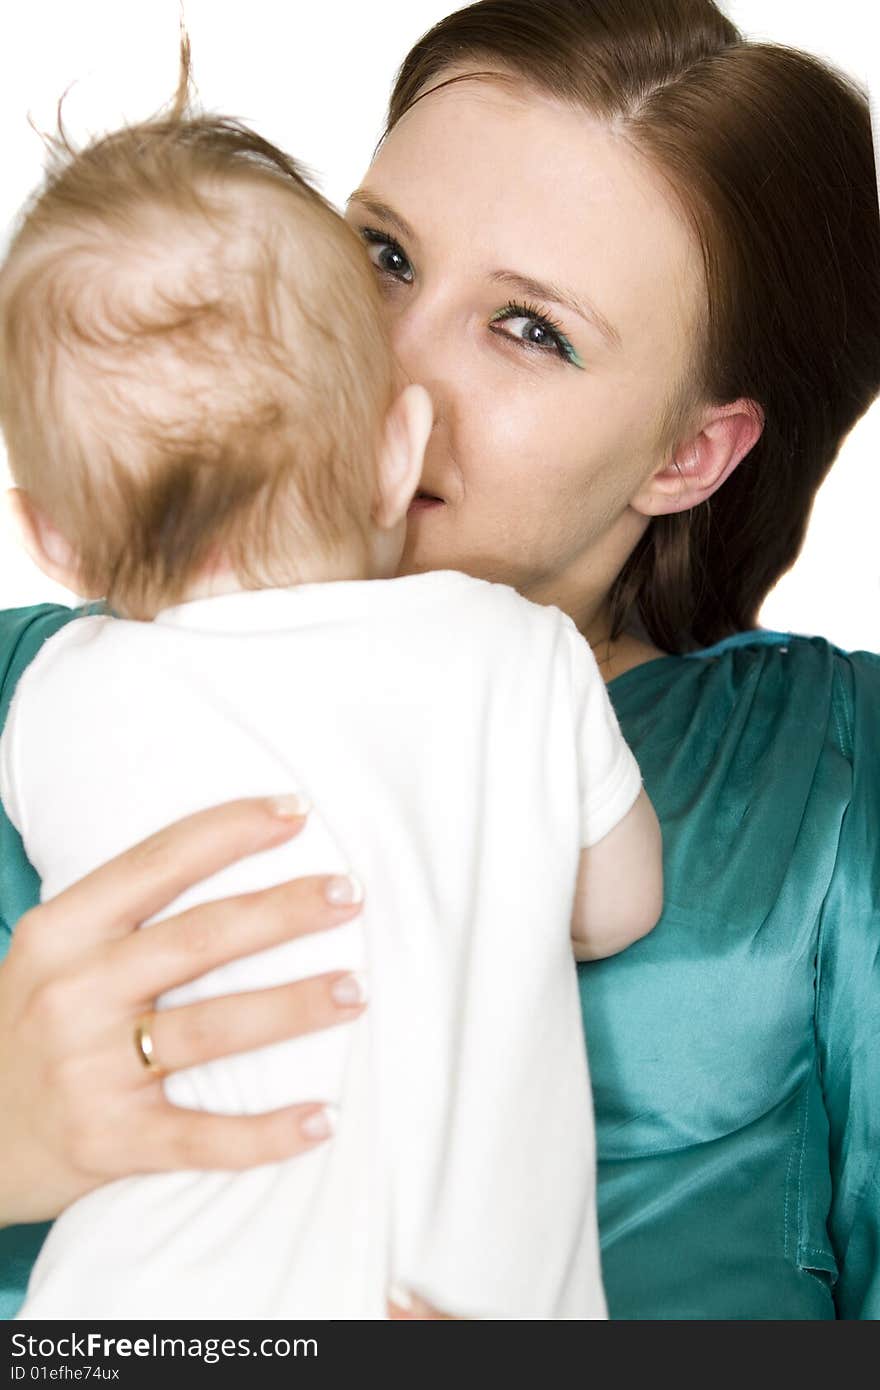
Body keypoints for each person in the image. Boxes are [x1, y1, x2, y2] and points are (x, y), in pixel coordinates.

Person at [1, 0, 878, 1321]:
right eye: (385, 256)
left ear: (685, 455)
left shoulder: (832, 781)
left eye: (530, 327)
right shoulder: (25, 687)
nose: (379, 358)